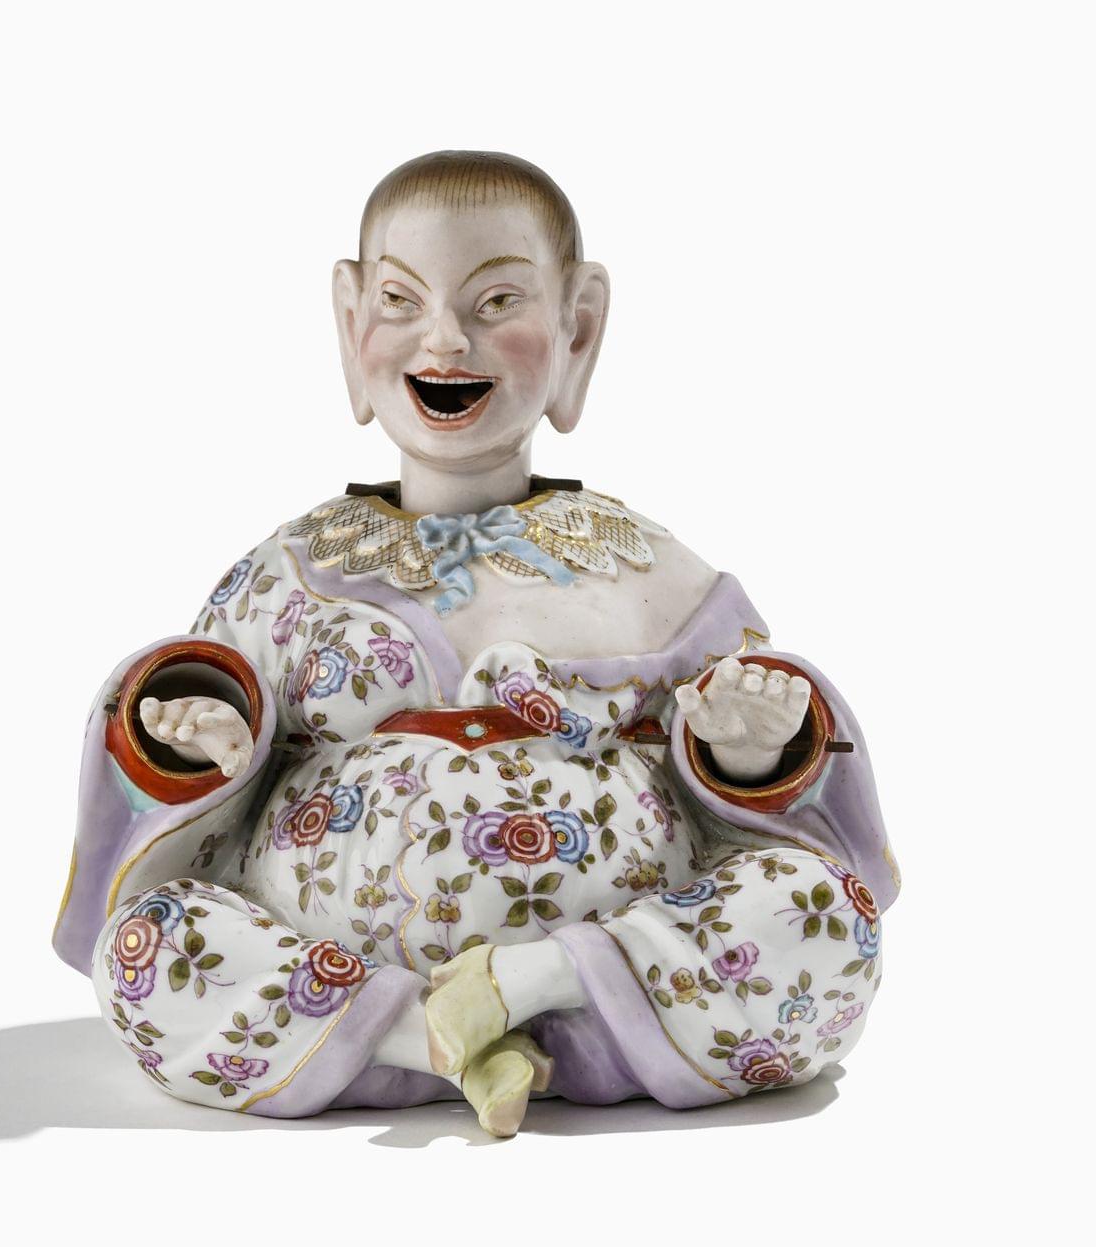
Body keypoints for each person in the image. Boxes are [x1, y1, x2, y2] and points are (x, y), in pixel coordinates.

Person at [53, 150, 898, 1137]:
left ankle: (525, 988)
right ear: (349, 320)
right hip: (335, 961)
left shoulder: (648, 569)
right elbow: (184, 791)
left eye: (497, 301)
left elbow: (764, 797)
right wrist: (208, 754)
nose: (446, 339)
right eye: (400, 301)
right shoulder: (290, 572)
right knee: (149, 946)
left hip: (608, 959)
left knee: (821, 912)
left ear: (577, 327)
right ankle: (430, 1034)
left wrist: (744, 748)